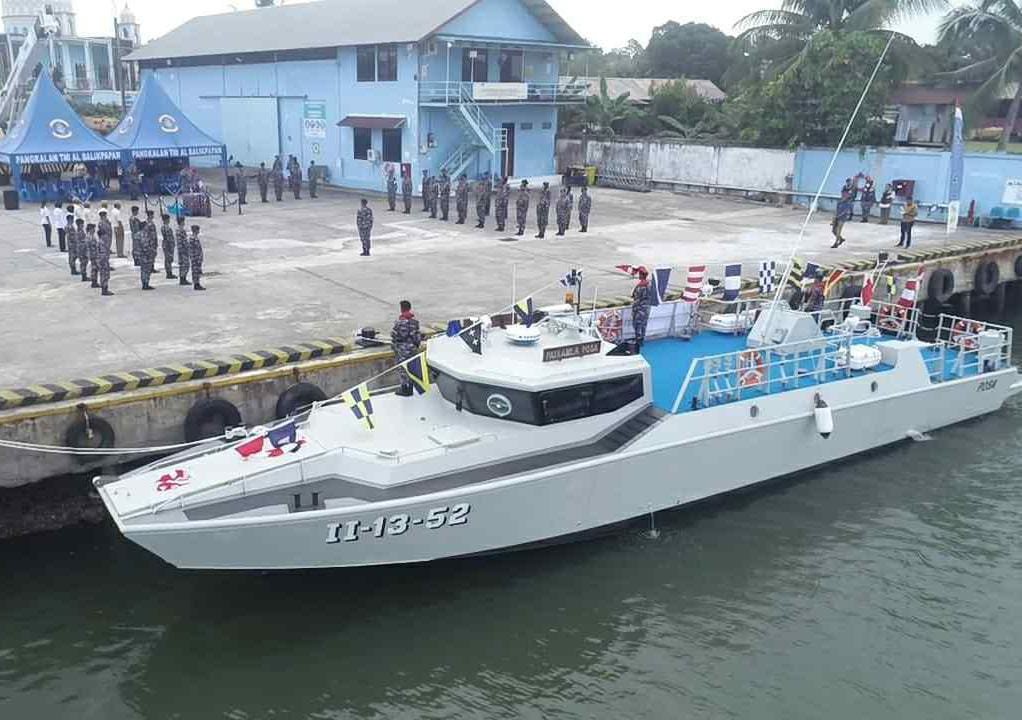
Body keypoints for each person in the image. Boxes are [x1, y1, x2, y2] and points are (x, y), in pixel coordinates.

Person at [391, 300, 422, 396]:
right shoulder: (415, 322)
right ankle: (412, 386)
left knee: (402, 369)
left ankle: (405, 389)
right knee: (412, 367)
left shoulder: (399, 323)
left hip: (402, 349)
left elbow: (394, 336)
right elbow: (417, 337)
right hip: (412, 348)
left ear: (401, 309)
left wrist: (395, 346)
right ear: (409, 308)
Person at [631, 267, 652, 348]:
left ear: (641, 275)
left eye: (639, 274)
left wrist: (634, 310)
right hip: (647, 308)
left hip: (639, 309)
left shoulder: (641, 286)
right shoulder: (649, 284)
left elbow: (636, 298)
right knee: (644, 325)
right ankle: (641, 340)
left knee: (637, 325)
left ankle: (638, 341)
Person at [97, 210, 114, 296]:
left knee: (105, 273)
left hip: (104, 256)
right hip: (103, 259)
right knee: (104, 273)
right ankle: (104, 289)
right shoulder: (101, 224)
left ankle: (104, 288)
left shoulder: (106, 222)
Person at [160, 214, 177, 279]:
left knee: (167, 259)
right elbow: (169, 238)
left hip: (165, 244)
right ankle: (169, 273)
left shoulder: (163, 227)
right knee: (168, 259)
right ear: (166, 220)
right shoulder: (167, 228)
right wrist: (172, 245)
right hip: (168, 245)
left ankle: (169, 272)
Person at [189, 225, 205, 290]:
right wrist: (196, 258)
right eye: (198, 230)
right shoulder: (193, 239)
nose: (199, 231)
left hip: (197, 257)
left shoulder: (195, 238)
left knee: (197, 271)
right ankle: (196, 284)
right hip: (195, 257)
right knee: (195, 271)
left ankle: (197, 283)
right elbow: (193, 249)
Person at [176, 216, 190, 286]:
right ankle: (183, 278)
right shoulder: (181, 230)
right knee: (186, 264)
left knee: (182, 264)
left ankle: (182, 278)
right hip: (183, 250)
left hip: (180, 249)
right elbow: (184, 241)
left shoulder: (178, 230)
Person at [85, 222, 99, 288]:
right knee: (94, 268)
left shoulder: (91, 236)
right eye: (93, 228)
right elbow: (91, 246)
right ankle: (94, 282)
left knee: (95, 268)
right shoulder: (90, 237)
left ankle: (94, 281)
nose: (94, 230)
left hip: (93, 254)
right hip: (93, 255)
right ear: (90, 229)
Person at [66, 211, 79, 275]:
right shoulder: (70, 227)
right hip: (72, 244)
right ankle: (73, 270)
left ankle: (73, 269)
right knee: (73, 257)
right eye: (72, 219)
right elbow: (73, 236)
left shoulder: (67, 226)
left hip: (70, 243)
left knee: (71, 257)